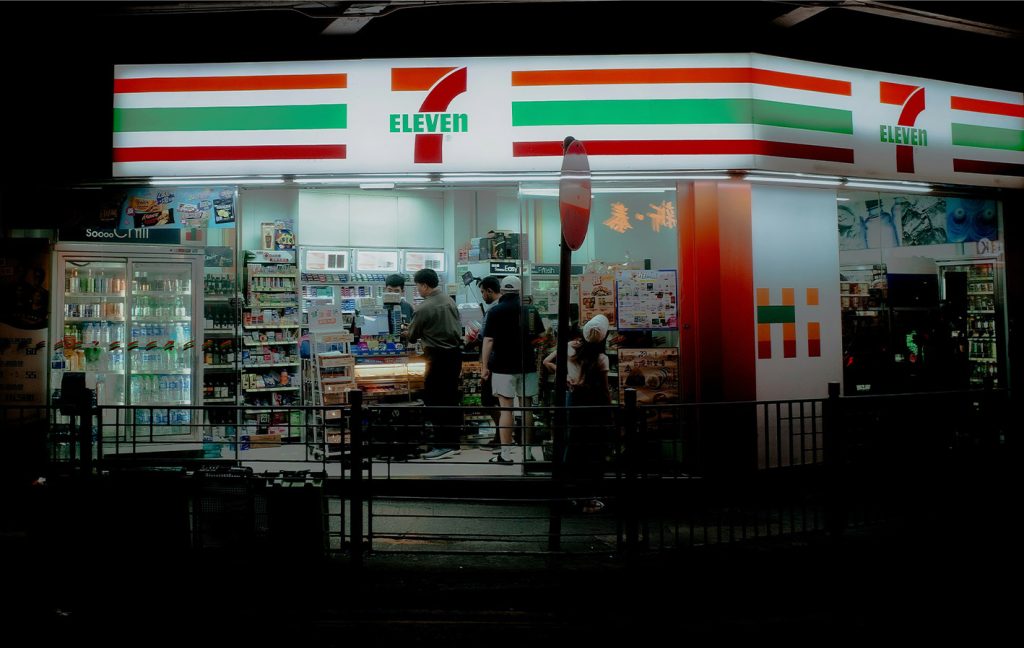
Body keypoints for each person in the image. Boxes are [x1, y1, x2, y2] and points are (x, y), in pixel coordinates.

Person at [543, 314, 611, 512]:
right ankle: (587, 497)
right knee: (592, 450)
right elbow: (605, 391)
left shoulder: (569, 347)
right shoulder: (601, 358)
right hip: (594, 406)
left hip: (572, 401)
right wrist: (610, 412)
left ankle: (565, 493)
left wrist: (562, 374)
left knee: (572, 446)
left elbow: (547, 361)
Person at [481, 275, 546, 464]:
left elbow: (488, 341)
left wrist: (485, 367)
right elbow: (542, 336)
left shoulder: (495, 311)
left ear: (503, 289)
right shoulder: (530, 310)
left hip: (502, 366)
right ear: (519, 290)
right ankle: (527, 454)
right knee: (526, 409)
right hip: (527, 365)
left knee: (506, 409)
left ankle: (506, 455)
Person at [404, 268, 464, 460]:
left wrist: (405, 331)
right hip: (454, 356)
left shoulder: (424, 307)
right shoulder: (449, 300)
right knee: (451, 399)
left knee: (435, 401)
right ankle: (453, 443)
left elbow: (412, 337)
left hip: (437, 357)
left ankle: (441, 445)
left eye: (417, 286)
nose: (418, 290)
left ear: (424, 285)